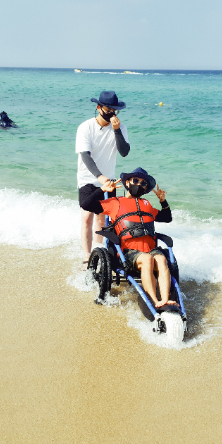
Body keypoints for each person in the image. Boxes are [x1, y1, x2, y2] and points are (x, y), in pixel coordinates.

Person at [80, 167, 175, 309]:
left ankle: (166, 300)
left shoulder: (147, 205)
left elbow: (167, 218)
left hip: (150, 249)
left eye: (143, 183)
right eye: (135, 180)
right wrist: (102, 190)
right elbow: (86, 204)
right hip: (128, 253)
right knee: (147, 259)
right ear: (127, 183)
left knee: (161, 259)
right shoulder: (115, 203)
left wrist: (163, 201)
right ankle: (154, 302)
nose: (139, 184)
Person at [76, 90, 130, 260]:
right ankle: (86, 256)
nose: (112, 114)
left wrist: (116, 130)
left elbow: (124, 152)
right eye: (108, 110)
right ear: (99, 108)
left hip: (109, 181)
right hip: (87, 179)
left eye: (114, 110)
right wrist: (99, 176)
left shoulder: (120, 128)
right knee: (86, 217)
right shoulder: (86, 127)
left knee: (103, 221)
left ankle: (99, 254)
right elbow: (85, 155)